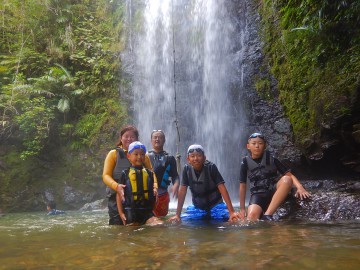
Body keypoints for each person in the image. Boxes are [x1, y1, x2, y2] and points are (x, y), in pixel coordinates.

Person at [239, 132, 311, 221]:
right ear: (248, 146)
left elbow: (289, 175)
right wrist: (242, 209)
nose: (257, 146)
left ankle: (268, 215)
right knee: (251, 218)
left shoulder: (272, 158)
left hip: (273, 190)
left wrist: (300, 188)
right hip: (258, 194)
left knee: (286, 179)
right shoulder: (245, 162)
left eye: (260, 143)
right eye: (254, 143)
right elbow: (242, 185)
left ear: (265, 146)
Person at [168, 144, 239, 222]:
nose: (196, 158)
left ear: (204, 158)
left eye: (199, 155)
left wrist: (231, 212)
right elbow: (182, 191)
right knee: (182, 221)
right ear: (188, 159)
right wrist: (177, 215)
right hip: (198, 208)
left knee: (232, 220)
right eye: (192, 156)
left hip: (216, 206)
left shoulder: (211, 167)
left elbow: (222, 188)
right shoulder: (187, 170)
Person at [102, 125, 156, 225]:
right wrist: (117, 186)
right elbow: (105, 175)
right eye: (126, 136)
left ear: (137, 139)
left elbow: (152, 174)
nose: (129, 139)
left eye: (132, 137)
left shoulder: (144, 156)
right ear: (121, 138)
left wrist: (155, 187)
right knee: (118, 226)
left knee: (138, 228)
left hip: (138, 201)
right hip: (116, 198)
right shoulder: (113, 154)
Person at [116, 141, 162, 225]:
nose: (139, 157)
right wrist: (121, 213)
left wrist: (155, 191)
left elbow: (153, 193)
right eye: (136, 154)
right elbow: (119, 195)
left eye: (142, 154)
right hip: (131, 211)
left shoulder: (149, 173)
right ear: (129, 156)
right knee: (132, 232)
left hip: (147, 211)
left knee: (159, 225)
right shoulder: (125, 173)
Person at [148, 130, 180, 217]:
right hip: (148, 194)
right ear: (151, 140)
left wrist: (176, 185)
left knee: (161, 220)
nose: (157, 139)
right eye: (155, 137)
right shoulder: (145, 156)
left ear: (164, 140)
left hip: (163, 194)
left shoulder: (169, 158)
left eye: (160, 137)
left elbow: (175, 176)